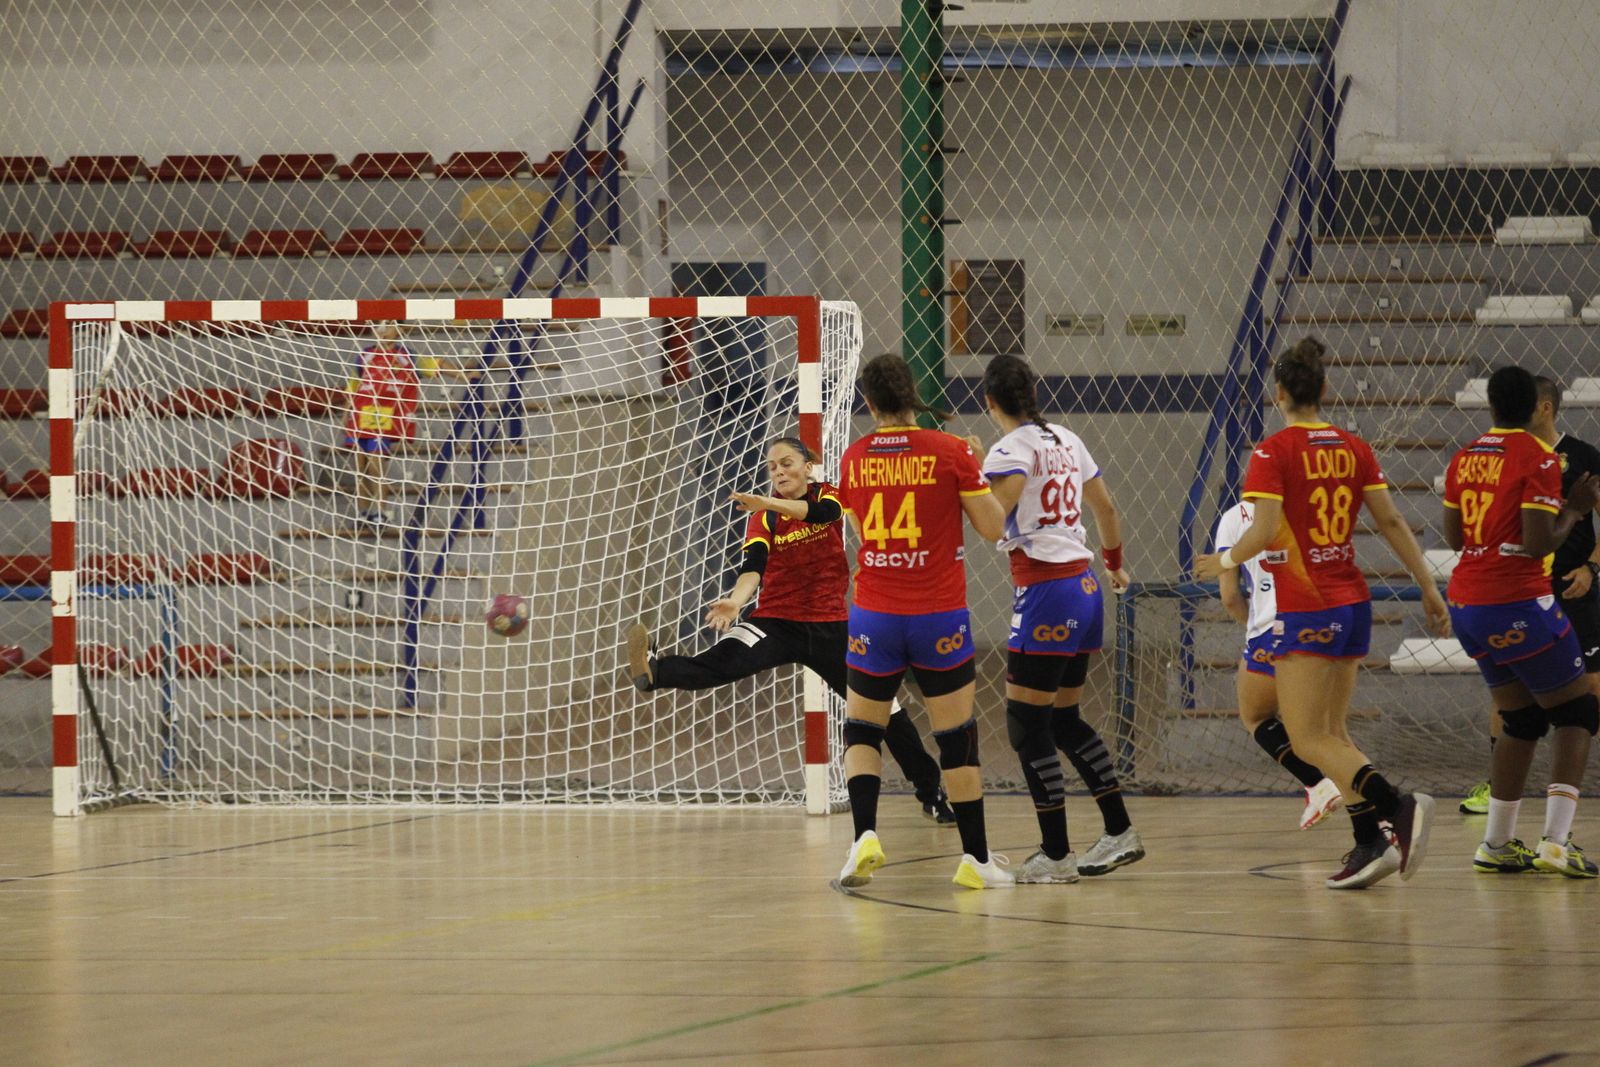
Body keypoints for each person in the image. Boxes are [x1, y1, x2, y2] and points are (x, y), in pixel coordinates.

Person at [1195, 336, 1450, 890]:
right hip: (1353, 600)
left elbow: (1264, 530)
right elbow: (1391, 522)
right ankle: (1370, 841)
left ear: (1279, 393)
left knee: (1307, 738)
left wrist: (1224, 561)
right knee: (1333, 733)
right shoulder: (1355, 448)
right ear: (1324, 388)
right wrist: (1428, 586)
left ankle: (1398, 806)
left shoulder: (1272, 452)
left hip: (1307, 605)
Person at [625, 435, 956, 824]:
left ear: (807, 466)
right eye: (772, 467)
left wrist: (767, 502)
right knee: (720, 662)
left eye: (786, 463)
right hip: (776, 622)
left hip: (831, 628)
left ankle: (931, 793)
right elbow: (753, 566)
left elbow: (819, 515)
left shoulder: (827, 495)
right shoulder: (763, 517)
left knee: (885, 711)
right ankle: (655, 671)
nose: (779, 472)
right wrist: (737, 601)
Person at [833, 353, 1012, 890]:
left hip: (876, 614)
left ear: (869, 403)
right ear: (913, 395)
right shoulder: (951, 451)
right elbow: (992, 528)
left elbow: (861, 533)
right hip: (938, 615)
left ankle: (864, 837)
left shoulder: (854, 458)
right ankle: (975, 860)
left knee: (863, 729)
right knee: (956, 739)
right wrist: (979, 467)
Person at [976, 353, 1143, 883]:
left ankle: (1055, 853)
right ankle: (1119, 831)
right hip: (1086, 587)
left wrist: (970, 475)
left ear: (990, 401)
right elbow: (1106, 508)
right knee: (1063, 720)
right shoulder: (1067, 439)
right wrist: (1114, 565)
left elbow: (990, 523)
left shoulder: (1010, 449)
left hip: (1047, 591)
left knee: (1027, 726)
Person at [1443, 366, 1600, 878]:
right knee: (1578, 711)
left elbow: (1453, 538)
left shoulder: (1465, 456)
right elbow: (1537, 545)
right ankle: (1555, 842)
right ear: (1536, 407)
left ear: (1490, 405)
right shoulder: (1539, 457)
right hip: (1518, 601)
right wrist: (1573, 510)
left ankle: (1496, 843)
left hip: (1466, 603)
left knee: (1523, 720)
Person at [1214, 498, 1346, 830]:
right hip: (1330, 620)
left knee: (1257, 716)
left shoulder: (1234, 518)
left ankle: (1319, 786)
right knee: (1332, 730)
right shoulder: (1314, 504)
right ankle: (1379, 819)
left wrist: (1253, 629)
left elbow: (1230, 597)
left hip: (1276, 626)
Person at [342, 321, 474, 528]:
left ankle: (381, 512)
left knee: (376, 465)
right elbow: (354, 386)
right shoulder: (364, 355)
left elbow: (438, 364)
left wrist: (465, 376)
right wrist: (345, 413)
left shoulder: (407, 356)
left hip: (384, 417)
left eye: (388, 325)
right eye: (378, 325)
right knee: (360, 468)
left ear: (400, 330)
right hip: (360, 415)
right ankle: (362, 512)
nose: (382, 330)